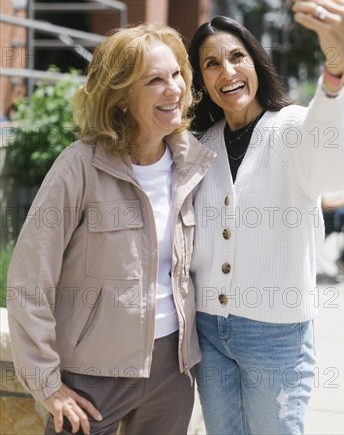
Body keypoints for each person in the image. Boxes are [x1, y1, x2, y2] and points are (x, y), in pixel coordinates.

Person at [6, 23, 215, 435]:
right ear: (120, 96)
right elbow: (29, 279)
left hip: (171, 369)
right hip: (91, 373)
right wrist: (47, 384)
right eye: (155, 80)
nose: (173, 89)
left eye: (176, 74)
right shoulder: (80, 166)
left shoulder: (194, 163)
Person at [188, 0, 344, 434]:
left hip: (276, 334)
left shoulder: (292, 127)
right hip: (209, 329)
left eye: (236, 57)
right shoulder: (199, 146)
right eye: (212, 63)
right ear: (201, 78)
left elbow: (336, 169)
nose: (227, 72)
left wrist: (337, 66)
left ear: (256, 62)